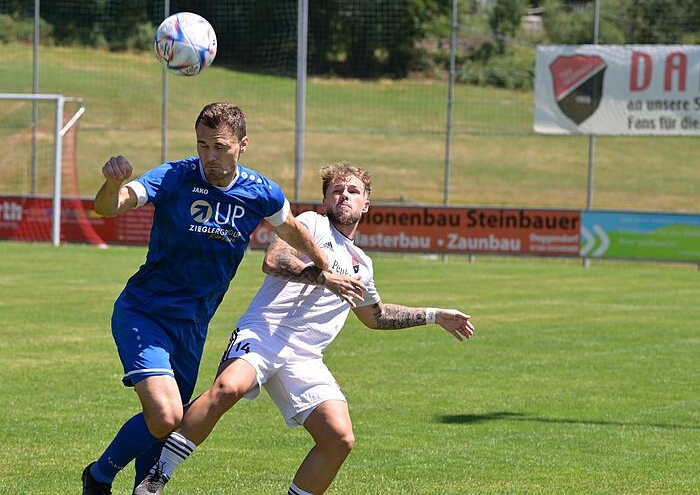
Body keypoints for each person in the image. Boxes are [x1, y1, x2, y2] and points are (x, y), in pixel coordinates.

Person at [133, 162, 475, 495]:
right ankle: (156, 479)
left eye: (353, 191)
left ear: (366, 204)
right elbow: (274, 261)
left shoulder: (363, 264)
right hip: (265, 332)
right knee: (227, 388)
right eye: (336, 190)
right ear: (325, 200)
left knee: (339, 438)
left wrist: (434, 315)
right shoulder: (310, 224)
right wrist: (323, 278)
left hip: (306, 356)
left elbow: (376, 316)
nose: (344, 195)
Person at [82, 103, 367, 494]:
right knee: (166, 416)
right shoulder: (175, 175)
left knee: (167, 421)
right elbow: (110, 206)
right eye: (202, 145)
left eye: (219, 146)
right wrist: (113, 184)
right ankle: (99, 475)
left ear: (242, 145)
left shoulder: (261, 191)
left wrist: (325, 267)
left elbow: (292, 231)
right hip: (144, 311)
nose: (210, 156)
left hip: (194, 323)